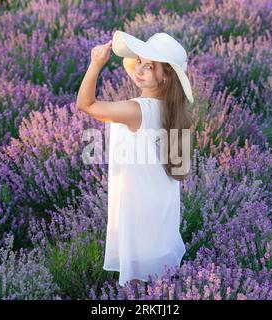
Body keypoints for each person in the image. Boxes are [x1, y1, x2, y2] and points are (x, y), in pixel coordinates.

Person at [76, 30, 194, 290]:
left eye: (149, 66)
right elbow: (138, 68)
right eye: (139, 61)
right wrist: (144, 61)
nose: (138, 69)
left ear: (166, 76)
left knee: (139, 281)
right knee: (160, 279)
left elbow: (86, 104)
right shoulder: (177, 110)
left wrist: (96, 64)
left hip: (138, 207)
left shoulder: (136, 110)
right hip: (161, 209)